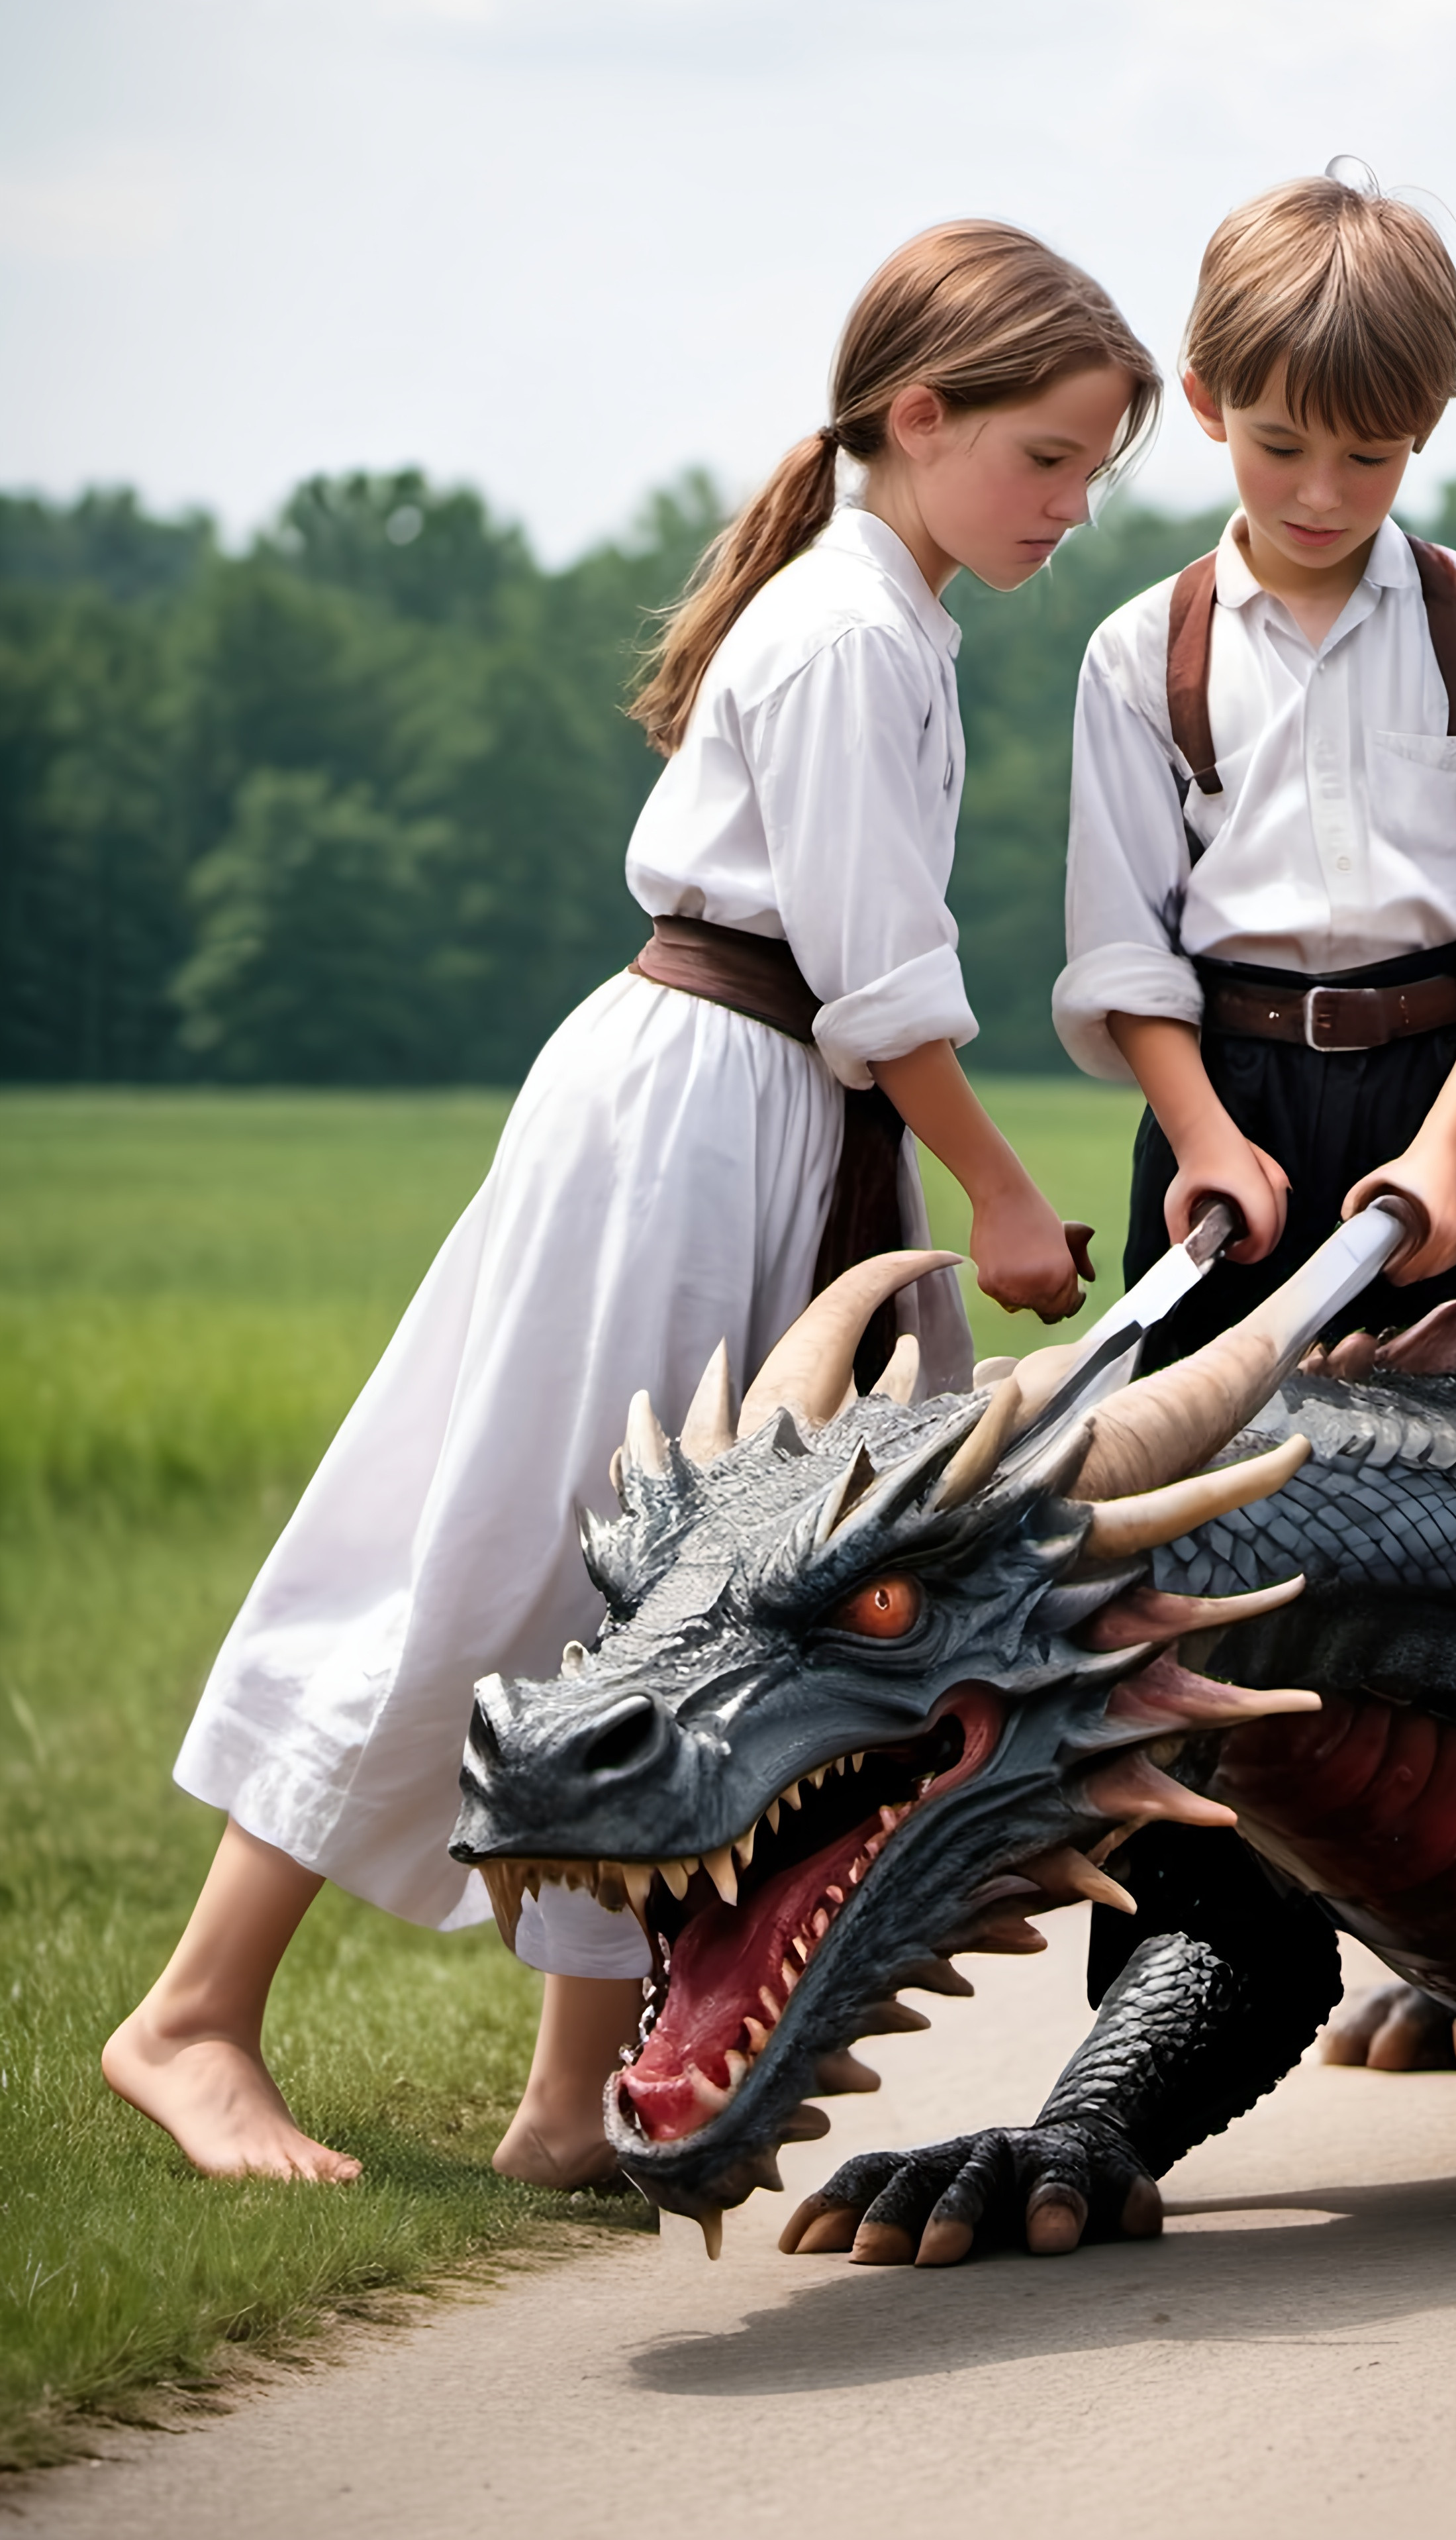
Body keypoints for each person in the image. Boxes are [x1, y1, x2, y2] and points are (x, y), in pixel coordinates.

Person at [105, 222, 1156, 2186]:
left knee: (701, 1599)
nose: (1072, 506)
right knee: (511, 1547)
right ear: (918, 418)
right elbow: (874, 972)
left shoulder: (891, 616)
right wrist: (1004, 1197)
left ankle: (569, 2102)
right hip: (696, 1111)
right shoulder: (846, 634)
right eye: (1047, 458)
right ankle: (193, 2014)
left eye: (1097, 473)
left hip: (779, 1116)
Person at [1055, 174, 1456, 1365]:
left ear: (1428, 420)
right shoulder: (1136, 656)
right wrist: (1201, 1137)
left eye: (1369, 457)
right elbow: (1124, 949)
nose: (1322, 494)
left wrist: (1454, 1151)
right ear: (1210, 402)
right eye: (1281, 446)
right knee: (1193, 1507)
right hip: (1225, 1120)